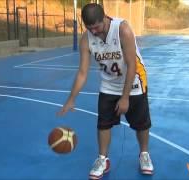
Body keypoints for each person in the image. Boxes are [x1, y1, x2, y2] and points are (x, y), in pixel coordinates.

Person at [57, 3, 153, 179]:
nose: (94, 31)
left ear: (105, 18)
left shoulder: (122, 29)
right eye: (89, 28)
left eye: (97, 27)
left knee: (142, 123)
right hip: (109, 84)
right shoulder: (86, 39)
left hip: (135, 82)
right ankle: (103, 159)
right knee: (103, 124)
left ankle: (144, 154)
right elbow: (82, 72)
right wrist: (72, 98)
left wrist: (125, 98)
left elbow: (132, 65)